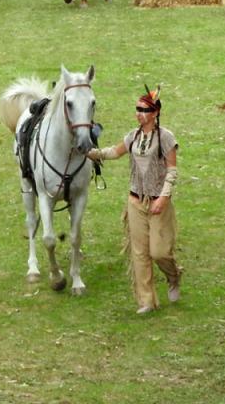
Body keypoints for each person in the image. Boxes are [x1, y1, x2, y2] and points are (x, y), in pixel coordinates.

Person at [87, 88, 182, 314]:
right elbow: (114, 152)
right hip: (135, 201)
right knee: (139, 253)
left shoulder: (166, 137)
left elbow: (172, 170)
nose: (139, 113)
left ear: (155, 113)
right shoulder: (133, 136)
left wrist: (164, 196)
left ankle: (173, 275)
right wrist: (91, 153)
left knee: (159, 252)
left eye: (144, 110)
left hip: (158, 203)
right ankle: (146, 300)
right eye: (137, 109)